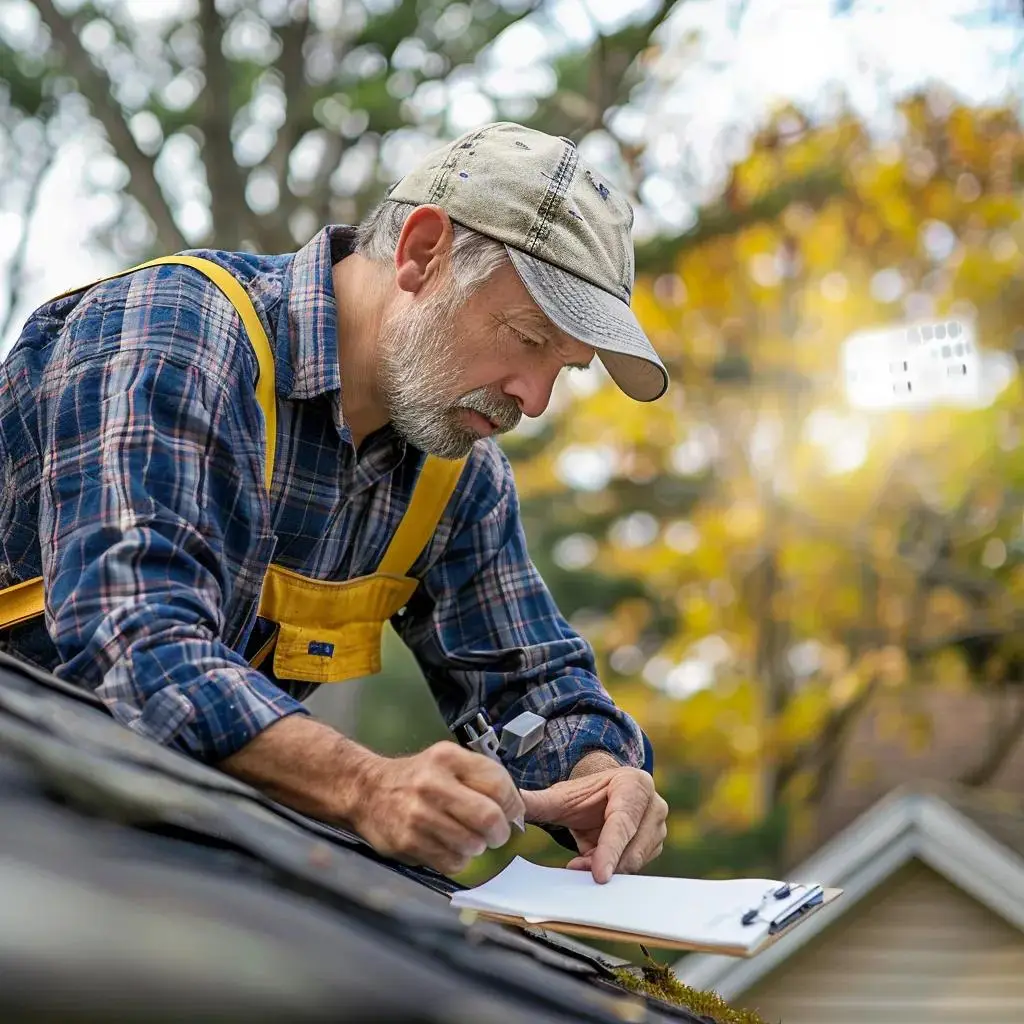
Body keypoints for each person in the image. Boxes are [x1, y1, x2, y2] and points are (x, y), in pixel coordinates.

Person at [0, 122, 669, 883]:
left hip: (157, 847)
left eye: (567, 368)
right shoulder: (176, 333)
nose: (536, 399)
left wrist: (601, 768)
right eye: (526, 337)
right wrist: (364, 785)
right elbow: (135, 637)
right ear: (422, 252)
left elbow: (530, 684)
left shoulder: (455, 474)